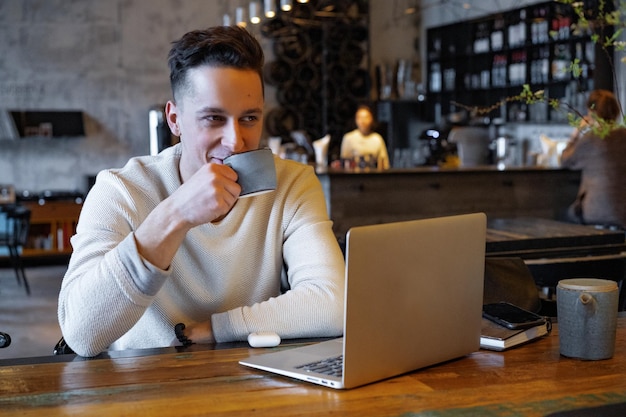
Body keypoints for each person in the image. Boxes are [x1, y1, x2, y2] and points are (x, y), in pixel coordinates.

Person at [57, 26, 345, 357]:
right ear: (175, 119)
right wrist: (175, 214)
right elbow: (81, 333)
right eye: (213, 118)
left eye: (249, 118)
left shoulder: (292, 184)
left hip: (254, 384)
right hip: (142, 390)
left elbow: (332, 304)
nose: (235, 141)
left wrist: (218, 329)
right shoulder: (121, 190)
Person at [560, 89, 626, 228]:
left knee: (560, 215)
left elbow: (565, 160)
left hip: (595, 212)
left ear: (592, 112)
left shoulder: (591, 139)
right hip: (623, 213)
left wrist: (576, 133)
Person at [340, 105, 390, 169]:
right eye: (360, 117)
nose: (363, 121)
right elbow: (344, 163)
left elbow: (384, 163)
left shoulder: (377, 139)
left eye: (366, 117)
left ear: (371, 119)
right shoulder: (348, 138)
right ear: (356, 120)